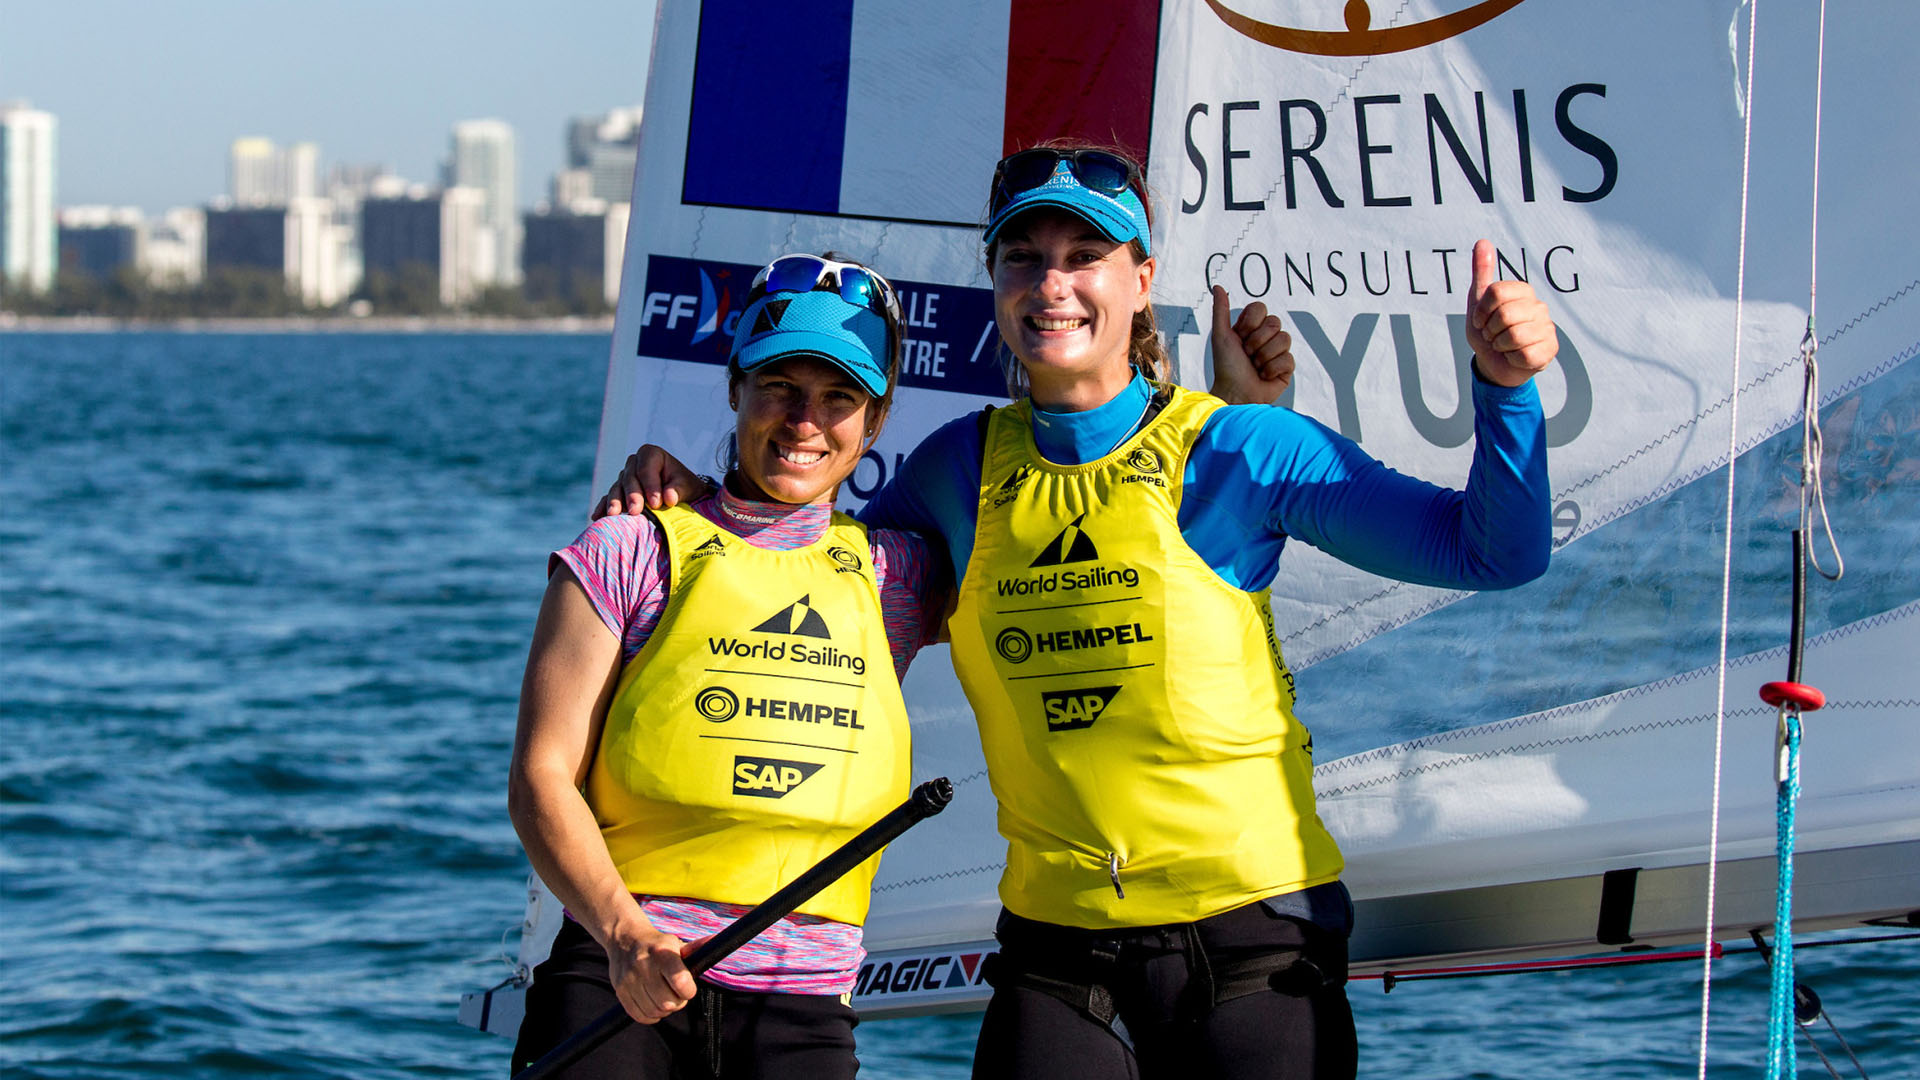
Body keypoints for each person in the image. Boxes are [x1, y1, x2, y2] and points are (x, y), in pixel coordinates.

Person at [605, 143, 1556, 1079]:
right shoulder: (957, 470)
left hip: (1255, 946)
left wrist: (1505, 389)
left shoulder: (1239, 448)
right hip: (1057, 963)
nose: (1051, 282)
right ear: (994, 283)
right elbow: (814, 582)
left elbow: (1490, 551)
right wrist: (697, 496)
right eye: (1024, 256)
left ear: (1141, 281)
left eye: (1084, 256)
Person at [507, 254, 947, 1079]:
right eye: (779, 385)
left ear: (876, 420)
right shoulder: (629, 546)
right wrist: (622, 932)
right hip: (618, 982)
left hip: (802, 1012)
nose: (804, 420)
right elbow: (539, 777)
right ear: (736, 386)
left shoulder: (902, 574)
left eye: (839, 397)